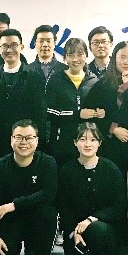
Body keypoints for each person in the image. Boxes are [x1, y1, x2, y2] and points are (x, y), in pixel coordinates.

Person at [0, 120, 58, 255]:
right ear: (11, 140)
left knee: (48, 213)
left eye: (29, 137)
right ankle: (14, 252)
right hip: (11, 221)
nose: (24, 142)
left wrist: (15, 204)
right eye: (18, 137)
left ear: (37, 140)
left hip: (37, 218)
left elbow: (48, 194)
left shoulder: (47, 163)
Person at [58, 123, 127, 255]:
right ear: (75, 142)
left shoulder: (111, 169)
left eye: (93, 140)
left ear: (99, 143)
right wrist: (73, 234)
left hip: (105, 231)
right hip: (77, 233)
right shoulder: (66, 171)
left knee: (98, 228)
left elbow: (119, 206)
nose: (87, 144)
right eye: (82, 139)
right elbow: (64, 208)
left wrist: (91, 219)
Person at [82, 41, 128, 176]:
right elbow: (89, 115)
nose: (126, 62)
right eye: (122, 57)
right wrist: (112, 128)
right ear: (114, 58)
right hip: (108, 146)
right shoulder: (102, 84)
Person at [0, 28, 46, 159]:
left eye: (14, 45)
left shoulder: (34, 77)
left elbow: (41, 114)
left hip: (26, 144)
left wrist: (39, 143)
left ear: (21, 47)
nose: (9, 50)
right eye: (5, 46)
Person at [46, 37, 98, 167]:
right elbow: (50, 112)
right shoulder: (56, 80)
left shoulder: (94, 80)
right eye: (70, 55)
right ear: (65, 58)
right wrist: (77, 114)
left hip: (87, 143)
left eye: (80, 54)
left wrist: (100, 112)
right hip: (62, 142)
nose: (75, 59)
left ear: (86, 55)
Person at [28, 24, 67, 153]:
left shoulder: (65, 70)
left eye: (48, 41)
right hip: (34, 131)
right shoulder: (26, 70)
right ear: (35, 44)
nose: (45, 45)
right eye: (41, 41)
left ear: (55, 43)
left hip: (59, 129)